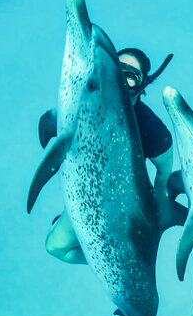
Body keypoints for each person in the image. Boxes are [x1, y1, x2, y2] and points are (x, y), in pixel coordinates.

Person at [40, 48, 175, 264]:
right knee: (54, 247)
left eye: (130, 77)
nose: (120, 82)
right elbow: (53, 124)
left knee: (128, 253)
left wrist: (153, 210)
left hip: (123, 199)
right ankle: (104, 260)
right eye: (115, 72)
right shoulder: (84, 106)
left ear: (142, 86)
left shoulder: (153, 130)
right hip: (85, 191)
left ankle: (116, 259)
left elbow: (164, 171)